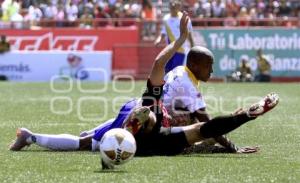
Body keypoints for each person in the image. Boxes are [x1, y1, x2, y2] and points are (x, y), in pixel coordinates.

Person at [9, 12, 279, 157]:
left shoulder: (163, 118)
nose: (213, 70)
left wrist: (248, 115)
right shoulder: (164, 100)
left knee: (86, 143)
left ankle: (31, 136)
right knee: (195, 135)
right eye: (210, 66)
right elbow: (205, 123)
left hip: (142, 130)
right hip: (145, 122)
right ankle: (34, 137)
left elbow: (206, 125)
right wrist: (244, 119)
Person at [154, 0, 195, 73]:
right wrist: (159, 39)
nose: (173, 7)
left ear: (179, 6)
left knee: (176, 72)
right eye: (171, 6)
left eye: (175, 6)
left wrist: (193, 49)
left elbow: (190, 36)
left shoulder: (184, 18)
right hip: (169, 50)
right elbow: (163, 33)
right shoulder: (166, 18)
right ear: (169, 7)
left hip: (180, 50)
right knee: (167, 72)